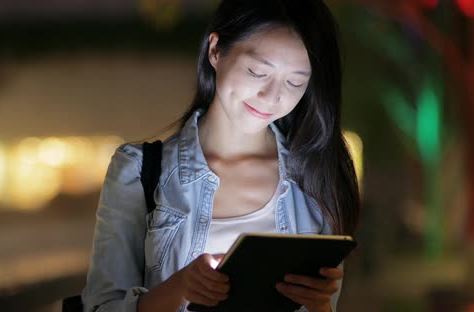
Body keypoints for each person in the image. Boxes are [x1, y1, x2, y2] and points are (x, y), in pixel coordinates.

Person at [81, 0, 360, 311]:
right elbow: (100, 307)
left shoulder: (316, 179)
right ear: (215, 50)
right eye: (257, 71)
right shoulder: (138, 172)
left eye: (295, 82)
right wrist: (179, 287)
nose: (272, 96)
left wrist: (320, 306)